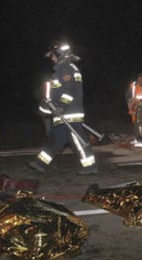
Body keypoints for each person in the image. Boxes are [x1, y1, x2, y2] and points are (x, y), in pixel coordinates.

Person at [28, 42, 98, 175]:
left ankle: (90, 167)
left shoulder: (66, 69)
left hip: (69, 113)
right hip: (63, 113)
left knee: (78, 141)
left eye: (53, 56)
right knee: (56, 140)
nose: (52, 59)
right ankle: (40, 164)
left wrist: (61, 107)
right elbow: (57, 93)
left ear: (59, 55)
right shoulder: (63, 69)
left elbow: (69, 91)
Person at [126, 73, 142, 147]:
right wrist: (130, 105)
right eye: (139, 79)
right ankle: (138, 139)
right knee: (135, 125)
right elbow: (128, 96)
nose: (140, 81)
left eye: (141, 79)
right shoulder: (133, 86)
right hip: (134, 109)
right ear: (137, 80)